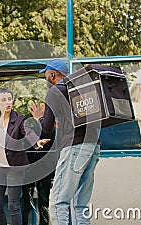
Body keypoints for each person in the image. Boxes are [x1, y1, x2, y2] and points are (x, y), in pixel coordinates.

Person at [30, 59, 101, 225]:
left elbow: (46, 127)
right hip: (93, 146)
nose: (45, 77)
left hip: (74, 147)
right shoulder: (78, 90)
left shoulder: (55, 92)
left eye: (46, 74)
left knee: (58, 202)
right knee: (80, 204)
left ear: (53, 74)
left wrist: (39, 117)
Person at [0, 88, 50, 225]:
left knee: (13, 206)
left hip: (15, 168)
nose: (8, 102)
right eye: (4, 100)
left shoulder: (19, 119)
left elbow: (27, 130)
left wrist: (36, 142)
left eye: (9, 99)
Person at [21, 128, 55, 225]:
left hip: (45, 167)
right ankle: (24, 222)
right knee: (26, 198)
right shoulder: (26, 123)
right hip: (29, 166)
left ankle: (43, 223)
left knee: (43, 199)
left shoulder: (49, 123)